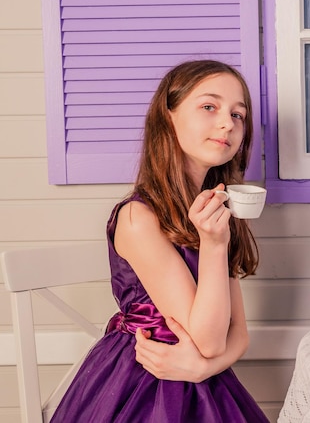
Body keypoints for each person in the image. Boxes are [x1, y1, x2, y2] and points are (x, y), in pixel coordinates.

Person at [51, 60, 270, 422]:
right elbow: (209, 341)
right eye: (209, 107)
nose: (227, 123)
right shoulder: (139, 219)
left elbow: (237, 334)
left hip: (200, 372)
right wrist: (214, 245)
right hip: (143, 381)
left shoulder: (215, 209)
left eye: (238, 114)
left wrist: (201, 370)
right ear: (168, 117)